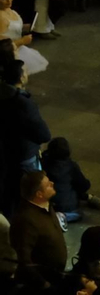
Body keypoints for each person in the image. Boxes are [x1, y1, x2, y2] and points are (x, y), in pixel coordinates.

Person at [0, 58, 49, 214]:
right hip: (24, 152)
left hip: (6, 150)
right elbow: (42, 133)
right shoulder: (23, 103)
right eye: (26, 71)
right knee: (31, 187)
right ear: (21, 77)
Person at [10, 170, 66, 280]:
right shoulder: (25, 221)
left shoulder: (46, 205)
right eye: (48, 185)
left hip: (56, 276)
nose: (52, 183)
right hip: (43, 283)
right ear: (39, 194)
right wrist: (43, 284)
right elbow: (24, 260)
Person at [40, 138, 92, 223]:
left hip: (48, 202)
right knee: (78, 213)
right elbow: (83, 186)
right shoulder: (71, 167)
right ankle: (63, 216)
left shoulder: (43, 162)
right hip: (66, 205)